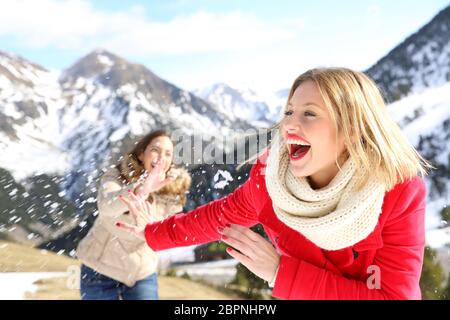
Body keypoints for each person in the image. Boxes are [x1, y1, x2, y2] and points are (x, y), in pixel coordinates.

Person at [117, 68, 432, 299]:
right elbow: (216, 219)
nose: (289, 125)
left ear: (351, 129)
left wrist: (281, 273)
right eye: (289, 112)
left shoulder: (398, 192)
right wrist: (151, 233)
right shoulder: (269, 182)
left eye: (309, 114)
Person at [76, 129, 191, 300]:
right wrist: (141, 190)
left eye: (168, 154)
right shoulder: (116, 176)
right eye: (155, 150)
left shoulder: (171, 193)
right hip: (99, 269)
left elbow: (167, 234)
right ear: (141, 154)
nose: (161, 157)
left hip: (141, 273)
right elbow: (107, 206)